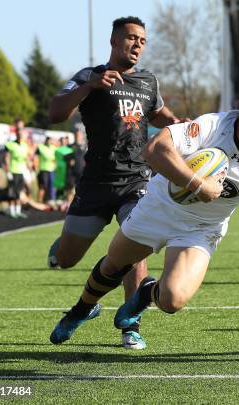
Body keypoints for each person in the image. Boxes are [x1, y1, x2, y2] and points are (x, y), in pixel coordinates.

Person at [49, 86, 239, 349]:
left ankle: (145, 293)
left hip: (202, 228)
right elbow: (154, 148)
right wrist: (198, 184)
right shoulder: (212, 126)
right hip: (159, 207)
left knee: (173, 300)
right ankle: (81, 310)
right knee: (113, 266)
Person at [46, 16, 182, 350]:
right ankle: (67, 259)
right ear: (114, 40)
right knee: (66, 259)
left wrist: (182, 125)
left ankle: (130, 324)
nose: (137, 45)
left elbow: (159, 113)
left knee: (135, 242)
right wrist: (89, 85)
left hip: (135, 180)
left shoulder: (149, 81)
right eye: (131, 38)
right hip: (95, 184)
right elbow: (55, 112)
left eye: (142, 41)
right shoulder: (89, 76)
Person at [4, 119, 31, 219]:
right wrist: (8, 171)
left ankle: (18, 211)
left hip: (21, 171)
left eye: (21, 135)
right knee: (12, 193)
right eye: (18, 135)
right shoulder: (10, 145)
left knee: (20, 192)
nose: (20, 136)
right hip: (13, 171)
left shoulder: (25, 145)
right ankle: (12, 211)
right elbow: (6, 159)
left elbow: (26, 159)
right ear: (16, 135)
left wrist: (29, 170)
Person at [35, 137, 57, 204]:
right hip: (43, 170)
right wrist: (36, 168)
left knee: (51, 186)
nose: (49, 142)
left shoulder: (54, 148)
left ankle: (49, 201)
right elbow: (35, 157)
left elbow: (56, 158)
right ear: (45, 141)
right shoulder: (40, 147)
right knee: (42, 186)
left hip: (52, 170)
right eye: (48, 140)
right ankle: (40, 201)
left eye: (50, 140)